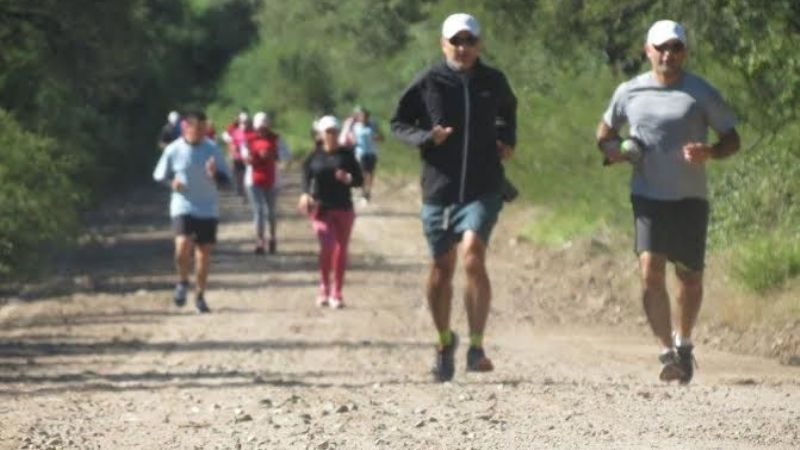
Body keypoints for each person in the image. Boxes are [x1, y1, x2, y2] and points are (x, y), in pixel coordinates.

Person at [596, 20, 740, 384]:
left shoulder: (700, 92)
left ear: (684, 52)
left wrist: (710, 151)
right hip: (647, 196)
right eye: (661, 48)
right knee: (649, 272)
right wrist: (616, 151)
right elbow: (605, 134)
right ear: (647, 51)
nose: (667, 55)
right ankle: (665, 351)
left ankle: (684, 342)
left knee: (688, 278)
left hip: (690, 197)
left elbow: (731, 139)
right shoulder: (630, 91)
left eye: (675, 48)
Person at [390, 13, 517, 382]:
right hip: (440, 189)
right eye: (456, 41)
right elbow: (398, 123)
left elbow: (508, 114)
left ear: (479, 45)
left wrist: (506, 141)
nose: (463, 48)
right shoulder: (430, 81)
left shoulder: (493, 82)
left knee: (473, 256)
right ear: (443, 44)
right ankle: (445, 341)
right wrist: (428, 137)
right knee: (441, 270)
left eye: (470, 41)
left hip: (483, 185)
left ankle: (477, 347)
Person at [153, 110, 232, 314]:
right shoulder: (173, 149)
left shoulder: (212, 149)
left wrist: (214, 175)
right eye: (198, 128)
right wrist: (173, 182)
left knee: (203, 254)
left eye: (204, 128)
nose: (201, 132)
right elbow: (159, 175)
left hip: (207, 207)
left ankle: (200, 296)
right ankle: (181, 281)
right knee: (182, 244)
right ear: (186, 127)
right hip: (183, 204)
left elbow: (226, 182)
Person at [298, 115, 363, 310]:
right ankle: (323, 286)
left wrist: (348, 179)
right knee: (328, 245)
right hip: (321, 209)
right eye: (328, 132)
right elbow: (305, 177)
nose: (332, 135)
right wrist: (304, 194)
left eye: (335, 131)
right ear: (321, 133)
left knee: (341, 250)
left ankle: (337, 292)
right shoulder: (313, 156)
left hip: (343, 207)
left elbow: (359, 180)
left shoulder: (347, 155)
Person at [243, 111, 290, 254]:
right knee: (259, 210)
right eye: (259, 128)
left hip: (272, 178)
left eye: (264, 127)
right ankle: (259, 241)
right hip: (253, 179)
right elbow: (245, 156)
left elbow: (286, 155)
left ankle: (272, 238)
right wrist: (252, 157)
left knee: (271, 211)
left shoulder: (276, 139)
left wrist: (272, 155)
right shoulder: (249, 139)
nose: (262, 131)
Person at [339, 106, 383, 202]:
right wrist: (351, 141)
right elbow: (347, 136)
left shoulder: (373, 125)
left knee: (370, 173)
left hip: (372, 152)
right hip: (360, 152)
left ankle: (368, 191)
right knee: (362, 172)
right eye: (361, 115)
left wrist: (377, 137)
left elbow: (381, 137)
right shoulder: (354, 126)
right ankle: (363, 192)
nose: (363, 117)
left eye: (365, 116)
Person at [221, 109, 254, 198]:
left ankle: (246, 190)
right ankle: (239, 190)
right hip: (236, 156)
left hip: (248, 157)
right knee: (237, 173)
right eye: (242, 121)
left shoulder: (253, 130)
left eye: (246, 122)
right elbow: (225, 135)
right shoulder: (232, 127)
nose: (244, 123)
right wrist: (231, 143)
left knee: (246, 174)